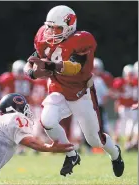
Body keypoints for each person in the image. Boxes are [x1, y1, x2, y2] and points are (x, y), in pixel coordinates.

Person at [23, 5, 124, 177]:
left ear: (69, 26)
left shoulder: (82, 40)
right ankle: (71, 154)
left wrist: (50, 65)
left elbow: (74, 67)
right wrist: (32, 72)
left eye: (57, 28)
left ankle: (115, 153)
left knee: (95, 140)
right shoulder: (43, 37)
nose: (51, 32)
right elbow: (31, 62)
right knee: (47, 120)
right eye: (49, 27)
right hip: (57, 89)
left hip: (81, 93)